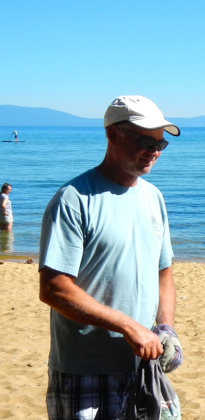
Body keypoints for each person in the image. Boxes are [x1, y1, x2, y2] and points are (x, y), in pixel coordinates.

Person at [39, 95, 184, 420]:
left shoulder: (153, 197)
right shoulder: (73, 200)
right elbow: (54, 288)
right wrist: (129, 327)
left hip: (144, 369)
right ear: (113, 135)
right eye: (146, 140)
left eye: (161, 143)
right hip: (84, 370)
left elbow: (164, 275)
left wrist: (165, 328)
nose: (155, 150)